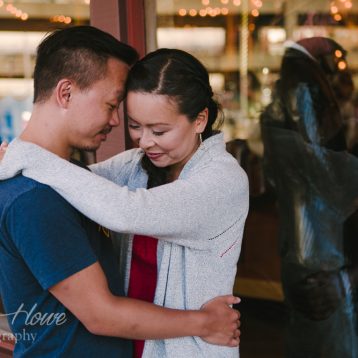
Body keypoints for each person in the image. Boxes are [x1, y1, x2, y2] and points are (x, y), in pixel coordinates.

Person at [0, 26, 243, 358]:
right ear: (66, 93)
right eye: (134, 124)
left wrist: (23, 156)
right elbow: (81, 182)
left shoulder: (222, 180)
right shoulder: (131, 167)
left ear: (200, 120)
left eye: (159, 130)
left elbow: (124, 209)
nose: (143, 141)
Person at [260, 37, 358, 357]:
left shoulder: (290, 80)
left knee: (310, 334)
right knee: (330, 337)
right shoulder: (305, 83)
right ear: (325, 55)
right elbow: (322, 162)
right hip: (321, 242)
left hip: (301, 236)